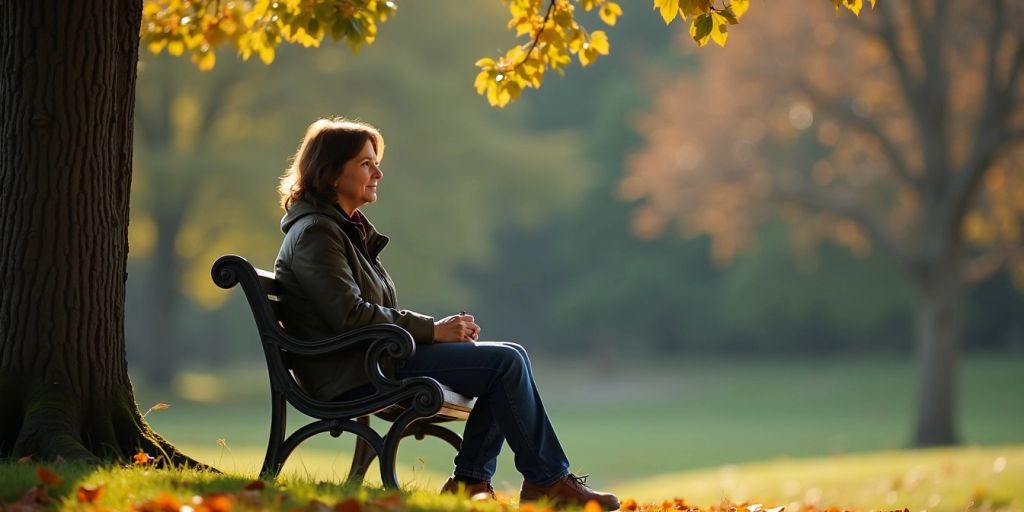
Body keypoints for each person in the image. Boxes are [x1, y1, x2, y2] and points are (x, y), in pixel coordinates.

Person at [273, 118, 620, 510]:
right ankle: (544, 481)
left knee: (510, 356)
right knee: (504, 363)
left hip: (371, 360)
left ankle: (474, 481)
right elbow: (350, 315)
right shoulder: (317, 234)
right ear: (332, 172)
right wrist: (433, 331)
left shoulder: (340, 231)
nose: (378, 173)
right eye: (366, 163)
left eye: (375, 163)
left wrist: (435, 330)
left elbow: (366, 310)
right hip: (351, 371)